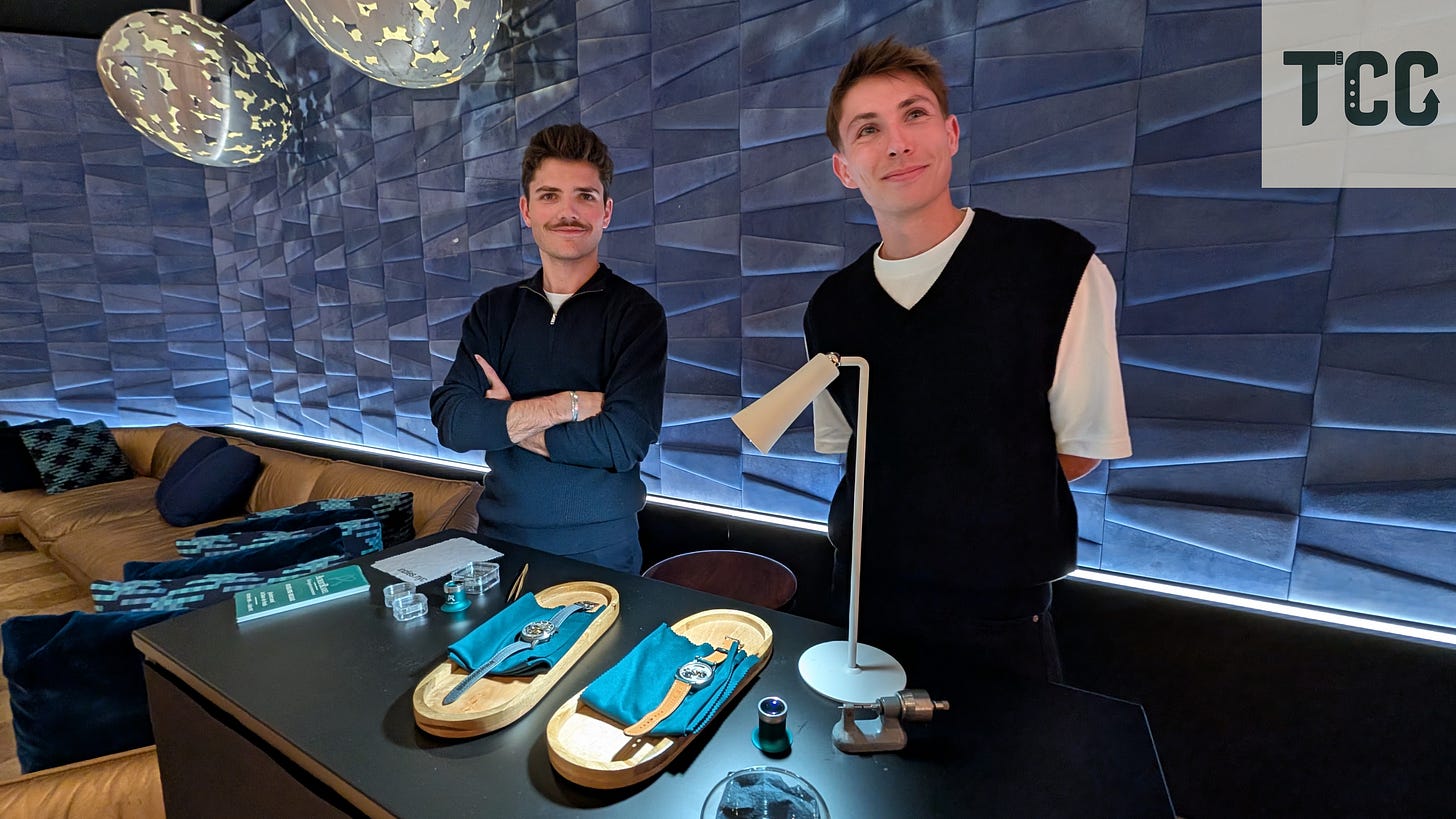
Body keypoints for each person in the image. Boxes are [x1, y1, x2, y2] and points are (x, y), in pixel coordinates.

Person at [803, 39, 1132, 688]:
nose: (896, 143)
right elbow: (850, 451)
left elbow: (1079, 450)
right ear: (845, 168)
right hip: (862, 605)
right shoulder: (831, 308)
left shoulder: (1056, 267)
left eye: (915, 115)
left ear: (951, 134)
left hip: (998, 618)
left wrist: (971, 500)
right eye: (868, 130)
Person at [430, 123, 667, 573]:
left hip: (602, 549)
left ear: (607, 211)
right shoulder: (494, 311)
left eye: (585, 196)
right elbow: (455, 422)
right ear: (526, 210)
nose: (568, 212)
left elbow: (623, 440)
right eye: (549, 196)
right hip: (497, 543)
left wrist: (504, 420)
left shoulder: (637, 314)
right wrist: (569, 405)